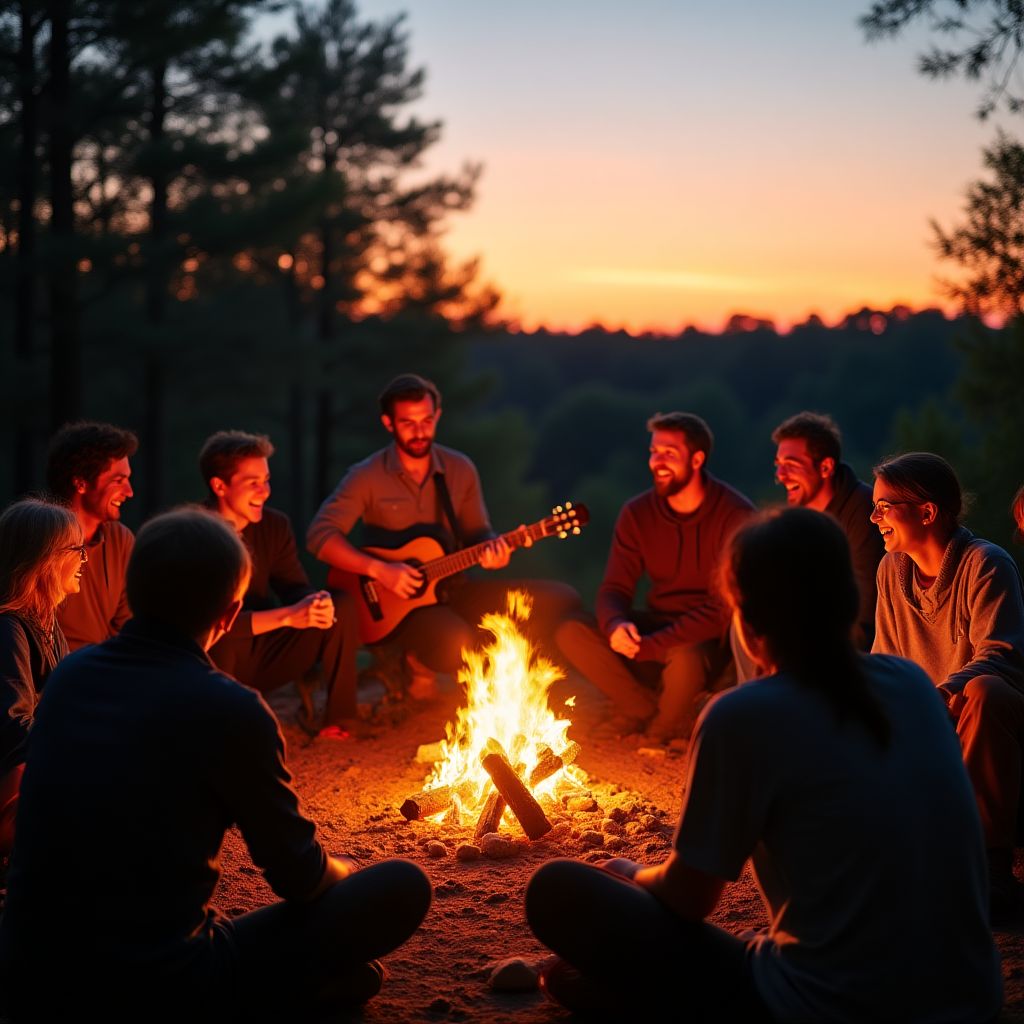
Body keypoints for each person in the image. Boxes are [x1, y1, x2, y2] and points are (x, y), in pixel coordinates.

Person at [526, 507, 1002, 1023]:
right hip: (971, 997)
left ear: (746, 621)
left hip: (831, 1006)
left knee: (557, 890)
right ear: (849, 602)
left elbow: (688, 898)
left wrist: (631, 874)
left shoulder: (742, 715)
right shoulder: (911, 683)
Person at [0, 507, 432, 1022]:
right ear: (228, 616)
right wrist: (349, 873)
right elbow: (301, 878)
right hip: (156, 982)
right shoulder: (233, 709)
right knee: (404, 885)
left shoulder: (70, 677)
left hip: (30, 968)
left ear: (134, 594)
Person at [306, 373, 581, 695]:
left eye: (426, 420)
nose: (419, 431)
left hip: (455, 587)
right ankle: (415, 659)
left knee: (559, 598)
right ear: (388, 423)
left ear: (436, 416)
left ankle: (526, 682)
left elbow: (479, 533)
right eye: (407, 422)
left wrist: (493, 552)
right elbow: (319, 536)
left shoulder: (459, 469)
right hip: (397, 606)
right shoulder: (366, 475)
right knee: (458, 643)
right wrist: (379, 570)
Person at [870, 451, 1024, 918]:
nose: (873, 517)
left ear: (927, 511)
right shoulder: (889, 573)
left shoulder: (986, 564)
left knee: (985, 691)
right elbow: (884, 660)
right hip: (926, 727)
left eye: (884, 506)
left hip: (984, 728)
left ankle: (992, 867)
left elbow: (1001, 658)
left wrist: (932, 697)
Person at [555, 412, 753, 741]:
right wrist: (616, 625)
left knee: (686, 659)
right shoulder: (637, 513)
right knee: (572, 632)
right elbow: (614, 588)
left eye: (669, 453)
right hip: (653, 629)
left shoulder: (735, 514)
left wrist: (651, 646)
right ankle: (644, 709)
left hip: (703, 640)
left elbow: (724, 608)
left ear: (697, 459)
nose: (657, 461)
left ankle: (663, 728)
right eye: (653, 452)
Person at [200, 430, 363, 740]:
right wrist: (289, 616)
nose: (265, 492)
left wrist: (315, 602)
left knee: (340, 603)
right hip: (218, 659)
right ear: (220, 486)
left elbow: (293, 585)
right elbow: (210, 626)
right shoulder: (195, 532)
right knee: (221, 639)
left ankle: (340, 719)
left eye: (266, 480)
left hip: (267, 651)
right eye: (253, 484)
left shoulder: (274, 526)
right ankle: (221, 725)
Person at [0, 499, 83, 861]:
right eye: (76, 549)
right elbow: (12, 726)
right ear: (45, 558)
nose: (85, 559)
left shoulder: (45, 622)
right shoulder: (9, 627)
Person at [770, 411, 883, 647]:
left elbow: (865, 611)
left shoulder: (864, 512)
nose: (780, 476)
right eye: (779, 465)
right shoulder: (798, 519)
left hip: (849, 651)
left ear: (825, 467)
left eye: (791, 464)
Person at [46, 420, 137, 650]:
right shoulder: (39, 539)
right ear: (81, 483)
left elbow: (129, 628)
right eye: (118, 481)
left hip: (102, 674)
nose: (129, 492)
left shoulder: (120, 541)